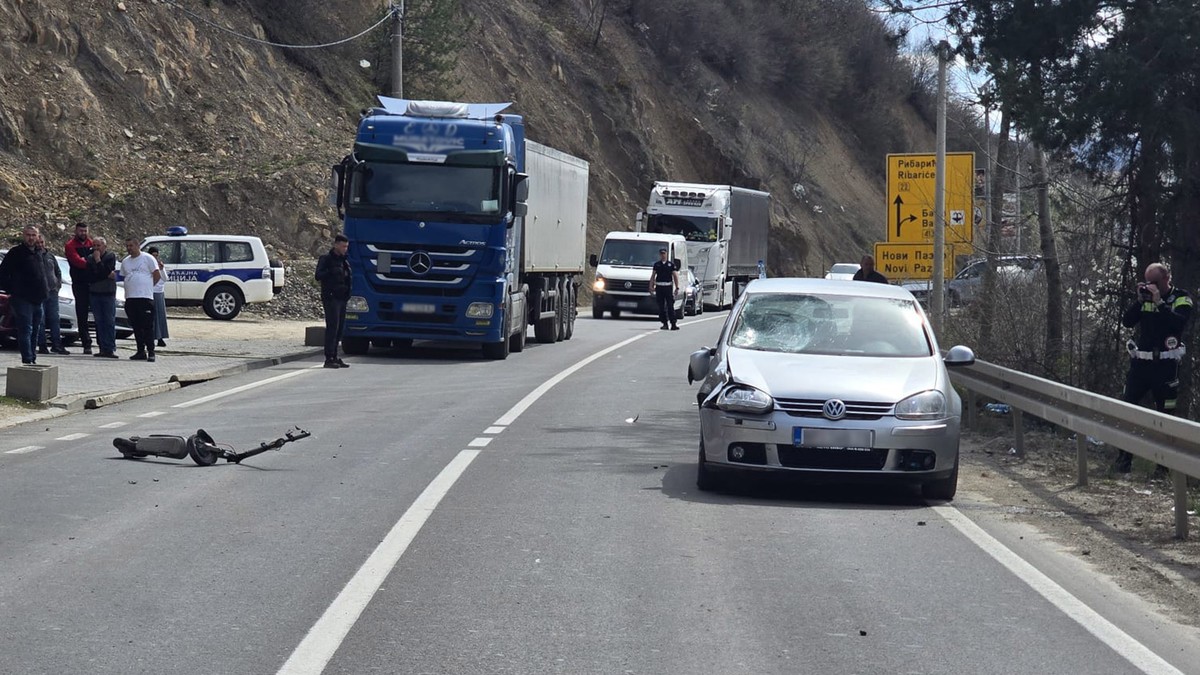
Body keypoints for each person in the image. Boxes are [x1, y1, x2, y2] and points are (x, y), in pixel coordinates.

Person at [1114, 262, 1194, 473]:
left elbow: (1179, 324)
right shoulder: (1146, 298)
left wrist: (1160, 303)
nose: (1150, 286)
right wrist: (1140, 300)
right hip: (1141, 364)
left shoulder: (1181, 298)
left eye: (1154, 282)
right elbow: (1128, 322)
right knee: (1128, 409)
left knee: (1165, 415)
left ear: (1166, 279)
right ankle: (1124, 460)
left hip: (1166, 366)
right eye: (1147, 282)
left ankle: (1163, 466)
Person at [0, 225, 51, 364]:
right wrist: (13, 290)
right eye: (28, 235)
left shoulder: (39, 252)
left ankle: (33, 358)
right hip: (22, 299)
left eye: (34, 235)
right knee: (25, 330)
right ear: (23, 235)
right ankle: (27, 360)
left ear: (38, 236)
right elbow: (3, 274)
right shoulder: (16, 253)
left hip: (39, 299)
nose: (31, 238)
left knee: (36, 331)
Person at [120, 238, 161, 361]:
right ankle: (140, 351)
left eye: (131, 245)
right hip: (131, 298)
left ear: (138, 246)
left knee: (147, 326)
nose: (129, 248)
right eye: (127, 246)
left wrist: (147, 287)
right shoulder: (126, 261)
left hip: (145, 298)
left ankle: (151, 351)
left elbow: (157, 275)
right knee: (136, 326)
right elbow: (123, 276)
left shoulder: (148, 258)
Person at [315, 234, 351, 368]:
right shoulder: (326, 259)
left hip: (342, 299)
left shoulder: (344, 261)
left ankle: (335, 356)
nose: (345, 249)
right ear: (336, 245)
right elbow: (318, 275)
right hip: (331, 298)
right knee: (332, 328)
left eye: (346, 246)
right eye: (343, 246)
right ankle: (328, 358)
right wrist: (331, 271)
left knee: (340, 329)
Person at [35, 234, 69, 355]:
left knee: (55, 320)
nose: (39, 245)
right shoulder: (33, 256)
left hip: (52, 293)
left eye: (41, 242)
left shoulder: (50, 256)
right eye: (37, 243)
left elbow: (58, 272)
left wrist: (57, 285)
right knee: (41, 321)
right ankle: (42, 346)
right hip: (39, 294)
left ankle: (57, 345)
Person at [64, 222, 95, 354]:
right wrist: (90, 262)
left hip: (93, 284)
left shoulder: (91, 243)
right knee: (82, 314)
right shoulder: (70, 245)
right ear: (76, 231)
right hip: (79, 284)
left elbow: (96, 259)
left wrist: (88, 261)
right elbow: (77, 261)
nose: (83, 233)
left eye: (85, 231)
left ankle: (103, 344)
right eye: (81, 231)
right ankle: (86, 343)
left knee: (97, 313)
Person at [86, 236, 119, 358]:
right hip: (95, 294)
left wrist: (99, 261)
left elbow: (106, 271)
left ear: (104, 246)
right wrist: (104, 273)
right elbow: (91, 275)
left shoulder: (110, 256)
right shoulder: (89, 258)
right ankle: (102, 347)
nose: (95, 248)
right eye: (94, 245)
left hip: (108, 294)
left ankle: (110, 348)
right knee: (99, 322)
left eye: (98, 246)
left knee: (109, 321)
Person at [647, 246, 680, 330]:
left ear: (666, 254)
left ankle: (673, 324)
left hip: (668, 287)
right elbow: (653, 275)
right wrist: (651, 286)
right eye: (661, 254)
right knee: (661, 307)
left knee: (670, 306)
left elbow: (675, 276)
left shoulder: (671, 265)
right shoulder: (657, 264)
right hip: (659, 287)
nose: (663, 255)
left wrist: (677, 287)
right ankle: (664, 323)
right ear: (659, 255)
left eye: (664, 254)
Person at [147, 246, 169, 347]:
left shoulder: (160, 265)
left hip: (159, 292)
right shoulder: (148, 265)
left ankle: (160, 337)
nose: (155, 257)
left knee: (160, 316)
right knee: (152, 317)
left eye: (156, 255)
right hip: (151, 292)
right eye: (153, 255)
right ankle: (152, 337)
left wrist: (162, 269)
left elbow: (165, 278)